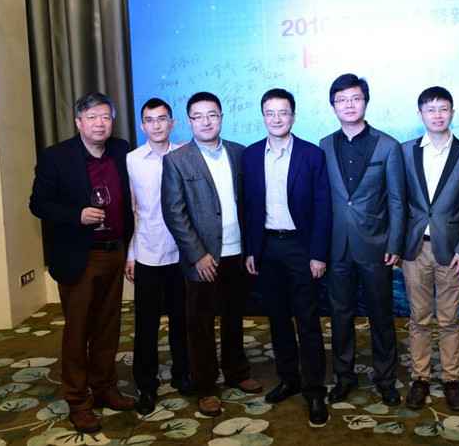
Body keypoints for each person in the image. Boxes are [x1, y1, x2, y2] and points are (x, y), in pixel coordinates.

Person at [29, 91, 135, 434]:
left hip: (114, 250)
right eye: (91, 118)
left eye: (105, 117)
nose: (99, 124)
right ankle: (77, 400)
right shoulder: (56, 157)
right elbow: (38, 204)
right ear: (78, 122)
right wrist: (77, 215)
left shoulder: (121, 150)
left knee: (108, 325)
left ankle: (105, 387)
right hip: (80, 254)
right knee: (78, 330)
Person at [161, 92, 262, 418]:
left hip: (237, 252)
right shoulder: (177, 160)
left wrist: (250, 248)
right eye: (198, 116)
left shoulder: (239, 153)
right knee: (200, 323)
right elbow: (174, 213)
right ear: (189, 121)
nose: (206, 122)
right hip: (203, 258)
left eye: (212, 115)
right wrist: (197, 255)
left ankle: (236, 371)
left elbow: (249, 204)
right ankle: (205, 386)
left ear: (221, 117)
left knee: (234, 317)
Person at [242, 88, 332, 427]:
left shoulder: (312, 155)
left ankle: (314, 389)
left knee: (307, 320)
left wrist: (318, 253)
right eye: (270, 112)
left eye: (283, 112)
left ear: (293, 116)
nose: (277, 118)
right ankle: (288, 378)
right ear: (263, 116)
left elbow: (323, 207)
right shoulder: (251, 155)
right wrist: (252, 249)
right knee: (277, 318)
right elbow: (248, 206)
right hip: (267, 247)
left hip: (300, 248)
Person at [320, 73, 406, 406]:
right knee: (340, 314)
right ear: (333, 106)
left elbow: (397, 200)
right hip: (337, 245)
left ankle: (385, 378)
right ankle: (344, 376)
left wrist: (395, 244)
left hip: (376, 245)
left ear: (365, 102)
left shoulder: (388, 146)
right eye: (341, 100)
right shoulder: (325, 145)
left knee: (381, 315)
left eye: (355, 98)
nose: (349, 105)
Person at [400, 86, 459, 411]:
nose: (437, 115)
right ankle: (420, 378)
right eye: (430, 109)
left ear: (452, 113)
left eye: (443, 109)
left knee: (449, 320)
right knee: (418, 318)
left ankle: (451, 379)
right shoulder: (405, 152)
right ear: (420, 114)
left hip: (452, 251)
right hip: (415, 249)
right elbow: (398, 201)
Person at [125, 98, 191, 415]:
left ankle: (183, 374)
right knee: (146, 325)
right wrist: (131, 253)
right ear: (142, 126)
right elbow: (132, 211)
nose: (156, 125)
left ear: (172, 123)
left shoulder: (186, 155)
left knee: (182, 320)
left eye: (162, 119)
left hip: (182, 254)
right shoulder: (132, 160)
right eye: (150, 120)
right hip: (148, 253)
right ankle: (146, 385)